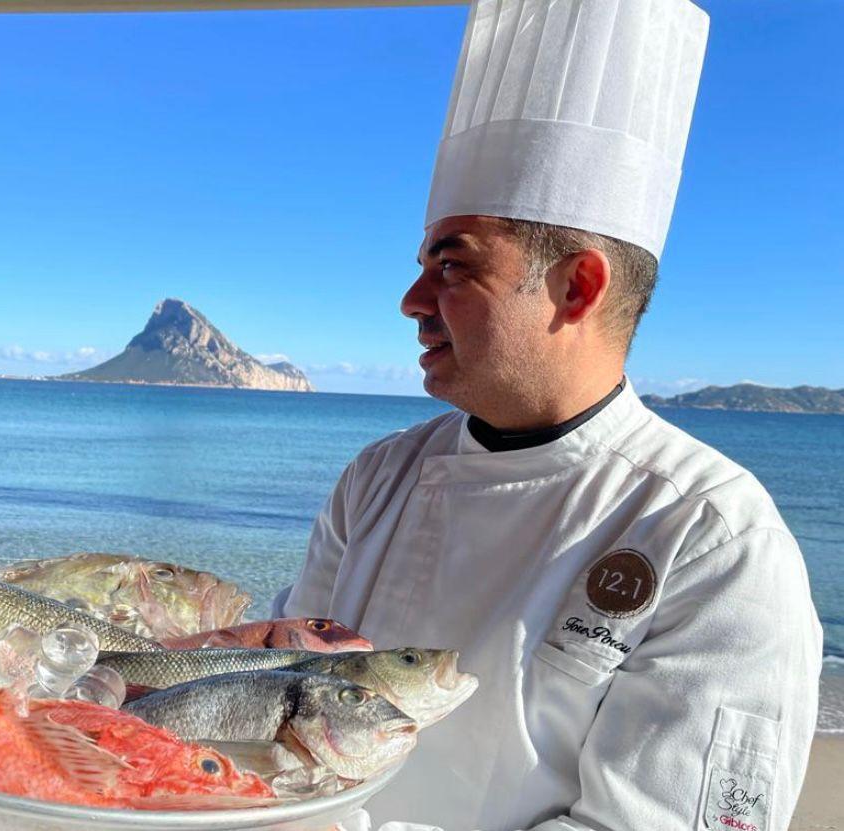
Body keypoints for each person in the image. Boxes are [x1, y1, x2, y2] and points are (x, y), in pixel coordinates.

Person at [274, 1, 823, 829]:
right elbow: (285, 692)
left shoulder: (710, 536)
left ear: (577, 286)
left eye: (453, 265)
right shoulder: (377, 478)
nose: (411, 300)